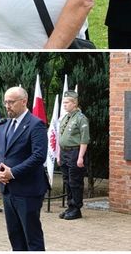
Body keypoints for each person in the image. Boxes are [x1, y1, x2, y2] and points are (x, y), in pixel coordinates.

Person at [0, 87, 48, 251]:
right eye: (5, 102)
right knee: (14, 235)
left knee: (32, 236)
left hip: (28, 190)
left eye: (11, 102)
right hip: (8, 190)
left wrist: (13, 172)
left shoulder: (36, 124)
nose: (7, 106)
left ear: (24, 101)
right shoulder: (4, 123)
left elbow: (39, 156)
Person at [57, 90, 89, 220]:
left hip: (75, 152)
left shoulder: (81, 118)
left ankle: (76, 208)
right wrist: (59, 155)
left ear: (74, 103)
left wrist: (80, 157)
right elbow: (61, 137)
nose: (64, 105)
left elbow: (84, 139)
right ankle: (70, 206)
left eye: (66, 102)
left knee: (75, 181)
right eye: (63, 102)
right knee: (67, 181)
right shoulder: (66, 117)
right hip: (64, 152)